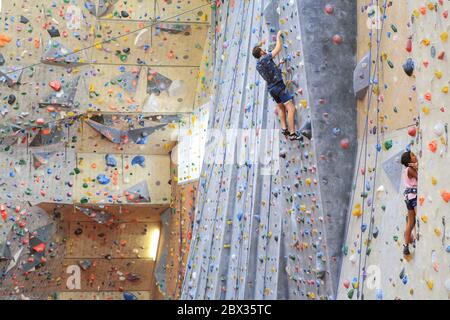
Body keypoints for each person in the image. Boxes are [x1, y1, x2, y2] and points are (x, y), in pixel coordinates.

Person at [253, 31, 311, 141]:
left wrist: (278, 64)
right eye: (262, 50)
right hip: (279, 87)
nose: (264, 50)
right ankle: (293, 133)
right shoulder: (265, 58)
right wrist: (278, 36)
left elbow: (269, 71)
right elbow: (278, 48)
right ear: (260, 53)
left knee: (281, 107)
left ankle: (284, 128)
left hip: (271, 89)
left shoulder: (258, 65)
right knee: (291, 108)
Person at [400, 150, 418, 256]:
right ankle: (416, 236)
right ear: (409, 160)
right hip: (414, 197)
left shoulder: (405, 171)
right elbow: (420, 177)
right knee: (418, 218)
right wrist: (416, 166)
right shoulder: (410, 169)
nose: (415, 156)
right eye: (413, 155)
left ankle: (406, 246)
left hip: (408, 198)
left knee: (410, 223)